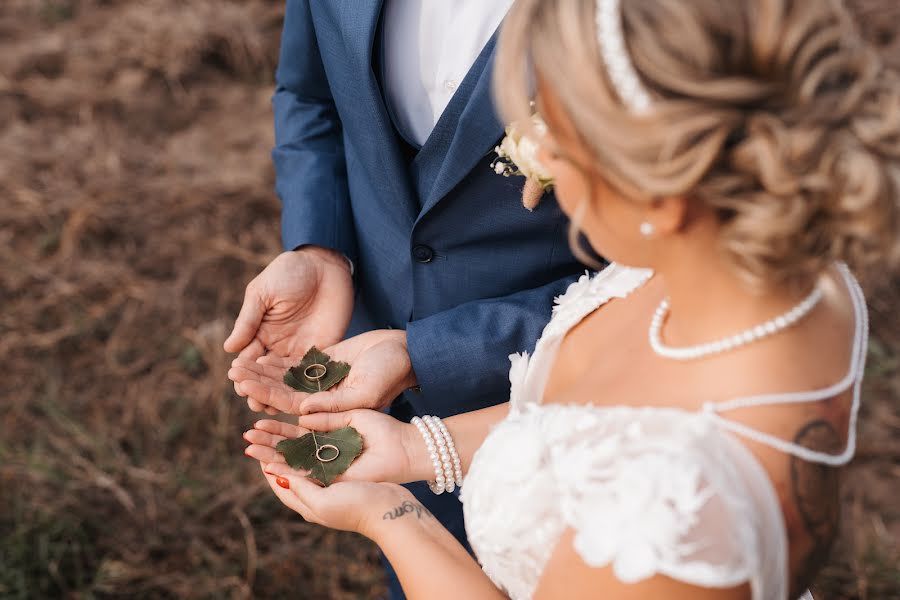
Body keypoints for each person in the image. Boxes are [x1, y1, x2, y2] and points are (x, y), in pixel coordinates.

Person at [236, 0, 900, 598]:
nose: (534, 158)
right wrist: (420, 451)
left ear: (660, 197)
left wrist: (388, 515)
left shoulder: (674, 508)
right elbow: (613, 411)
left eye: (553, 136)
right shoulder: (763, 277)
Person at [223, 1, 583, 596]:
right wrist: (321, 245)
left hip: (577, 410)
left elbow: (669, 289)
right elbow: (310, 95)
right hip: (382, 399)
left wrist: (436, 353)